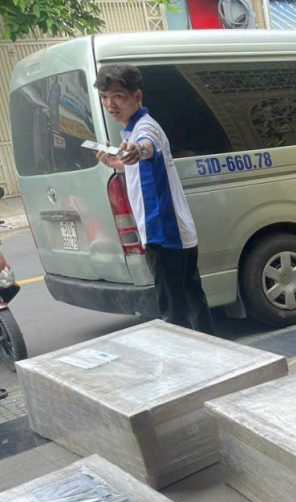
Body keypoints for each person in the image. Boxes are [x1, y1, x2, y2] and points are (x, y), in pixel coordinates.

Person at [93, 63, 213, 333]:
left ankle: (192, 357)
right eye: (104, 97)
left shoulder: (145, 128)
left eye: (118, 96)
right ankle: (214, 350)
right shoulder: (132, 129)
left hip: (164, 233)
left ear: (137, 96)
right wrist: (118, 163)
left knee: (175, 313)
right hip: (172, 231)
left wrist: (137, 149)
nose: (110, 104)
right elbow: (144, 165)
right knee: (192, 300)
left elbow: (147, 147)